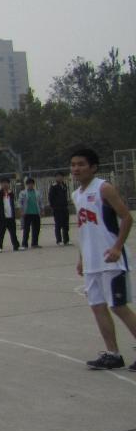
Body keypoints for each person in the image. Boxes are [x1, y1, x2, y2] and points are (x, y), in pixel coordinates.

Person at [69, 148, 136, 371]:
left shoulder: (103, 188)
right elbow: (84, 229)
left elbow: (126, 218)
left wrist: (117, 247)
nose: (76, 169)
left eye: (81, 164)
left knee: (118, 306)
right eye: (73, 165)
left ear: (93, 167)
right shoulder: (77, 195)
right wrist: (81, 258)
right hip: (92, 262)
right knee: (97, 306)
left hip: (111, 260)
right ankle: (112, 354)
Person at [0, 178, 20, 252]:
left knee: (13, 233)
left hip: (11, 216)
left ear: (9, 184)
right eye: (3, 183)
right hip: (2, 217)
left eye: (6, 183)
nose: (5, 185)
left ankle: (16, 246)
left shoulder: (11, 193)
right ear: (1, 184)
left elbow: (12, 204)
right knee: (0, 233)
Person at [48, 171, 71, 246]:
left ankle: (66, 240)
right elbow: (50, 197)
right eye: (58, 176)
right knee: (58, 224)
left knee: (66, 224)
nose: (59, 178)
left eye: (61, 176)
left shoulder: (64, 185)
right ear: (55, 178)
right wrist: (53, 207)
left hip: (64, 207)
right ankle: (59, 240)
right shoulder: (53, 186)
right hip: (57, 208)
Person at [19, 177, 42, 249]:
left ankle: (34, 243)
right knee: (26, 229)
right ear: (26, 185)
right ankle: (24, 244)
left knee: (36, 229)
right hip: (27, 213)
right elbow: (20, 202)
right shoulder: (23, 193)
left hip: (36, 213)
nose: (30, 185)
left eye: (32, 184)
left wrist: (42, 209)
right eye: (29, 184)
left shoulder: (37, 193)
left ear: (34, 184)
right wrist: (21, 211)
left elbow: (40, 202)